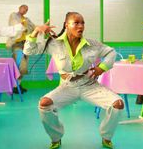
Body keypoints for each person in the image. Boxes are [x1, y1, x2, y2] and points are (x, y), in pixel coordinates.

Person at [24, 12, 124, 149]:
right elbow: (29, 51)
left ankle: (106, 136)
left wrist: (102, 67)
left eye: (82, 23)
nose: (80, 26)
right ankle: (56, 137)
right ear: (66, 25)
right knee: (44, 104)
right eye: (76, 23)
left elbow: (111, 52)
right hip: (67, 86)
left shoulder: (92, 44)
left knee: (118, 104)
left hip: (89, 84)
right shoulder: (54, 43)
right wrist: (36, 31)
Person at [6, 5, 35, 93]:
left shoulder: (26, 19)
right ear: (19, 8)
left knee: (24, 65)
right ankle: (14, 85)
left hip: (25, 44)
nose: (25, 10)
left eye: (26, 9)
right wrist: (25, 28)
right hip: (16, 44)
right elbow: (16, 25)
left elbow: (33, 27)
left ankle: (18, 85)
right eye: (24, 8)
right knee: (20, 64)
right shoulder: (14, 15)